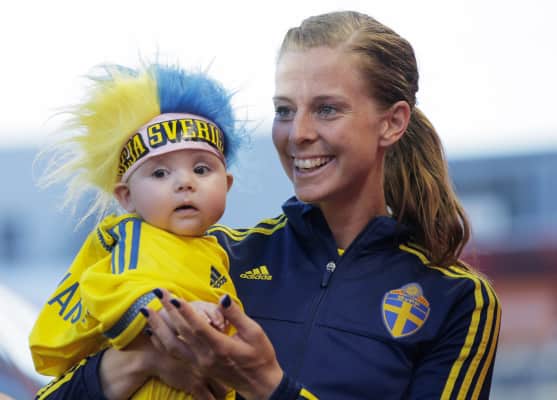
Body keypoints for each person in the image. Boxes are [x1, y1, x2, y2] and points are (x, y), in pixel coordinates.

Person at [37, 10, 501, 400]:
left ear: (392, 123)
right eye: (284, 110)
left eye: (326, 109)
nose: (298, 133)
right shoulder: (216, 254)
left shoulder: (458, 300)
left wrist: (267, 385)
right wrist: (136, 362)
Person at [29, 62, 245, 399]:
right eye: (160, 174)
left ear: (227, 185)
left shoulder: (217, 250)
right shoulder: (134, 237)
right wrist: (180, 313)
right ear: (126, 197)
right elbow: (108, 289)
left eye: (202, 169)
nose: (185, 183)